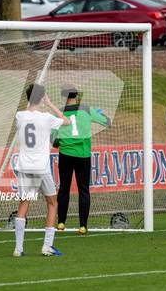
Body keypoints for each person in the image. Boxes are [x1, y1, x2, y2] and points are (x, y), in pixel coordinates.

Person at [13, 84, 69, 257]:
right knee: (52, 203)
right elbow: (66, 121)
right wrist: (50, 104)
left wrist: (35, 99)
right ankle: (47, 246)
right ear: (42, 98)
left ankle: (18, 248)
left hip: (24, 166)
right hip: (41, 167)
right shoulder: (46, 117)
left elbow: (26, 117)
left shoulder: (19, 116)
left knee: (24, 204)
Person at [51, 87, 111, 235]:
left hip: (65, 154)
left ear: (65, 98)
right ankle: (83, 225)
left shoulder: (59, 112)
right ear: (77, 96)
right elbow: (107, 122)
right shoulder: (86, 109)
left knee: (64, 188)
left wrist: (61, 143)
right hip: (83, 155)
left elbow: (53, 140)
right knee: (83, 189)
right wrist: (99, 113)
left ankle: (61, 222)